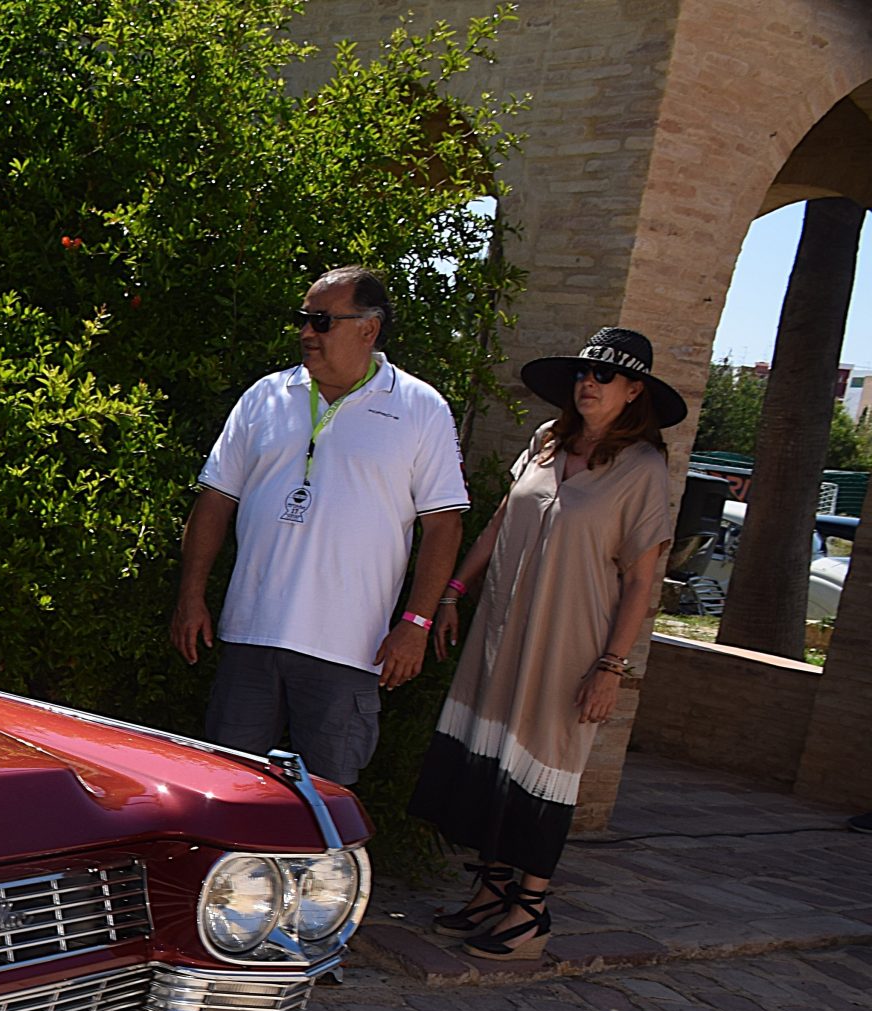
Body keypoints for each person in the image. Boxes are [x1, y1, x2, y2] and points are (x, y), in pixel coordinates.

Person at [410, 327, 684, 960]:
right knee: (493, 753)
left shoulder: (642, 469)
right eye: (583, 374)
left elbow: (643, 578)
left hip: (571, 643)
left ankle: (530, 914)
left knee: (545, 766)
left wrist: (612, 665)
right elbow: (502, 521)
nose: (588, 384)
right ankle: (492, 889)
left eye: (604, 377)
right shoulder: (545, 443)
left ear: (634, 391)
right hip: (502, 632)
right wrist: (452, 591)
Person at [173, 265, 469, 785]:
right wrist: (191, 594)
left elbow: (443, 525)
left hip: (349, 650)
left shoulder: (421, 408)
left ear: (368, 329)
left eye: (321, 321)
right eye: (303, 320)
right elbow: (216, 498)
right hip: (251, 636)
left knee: (327, 806)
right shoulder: (266, 395)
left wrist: (416, 624)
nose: (307, 333)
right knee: (227, 791)